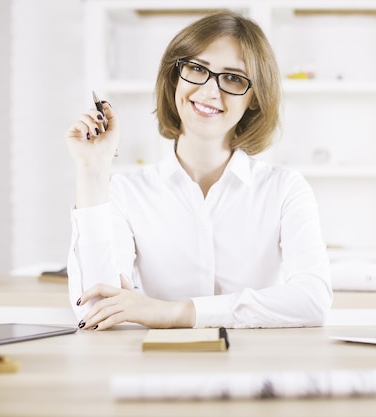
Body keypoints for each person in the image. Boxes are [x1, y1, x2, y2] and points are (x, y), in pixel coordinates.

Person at [64, 10, 332, 331]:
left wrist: (176, 313)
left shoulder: (285, 188)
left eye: (233, 77)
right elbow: (96, 309)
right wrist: (92, 171)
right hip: (156, 369)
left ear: (255, 99)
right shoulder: (127, 191)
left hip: (253, 370)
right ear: (175, 76)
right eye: (196, 68)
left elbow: (313, 301)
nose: (209, 90)